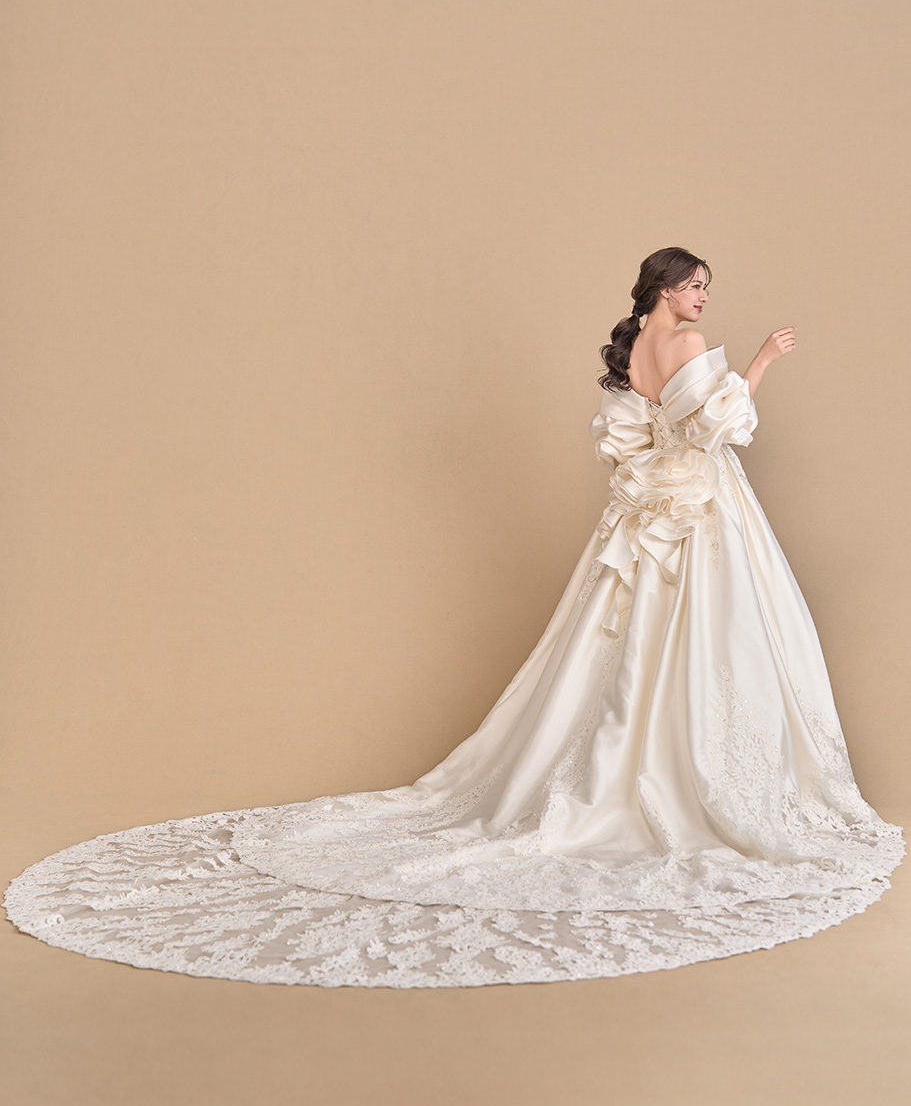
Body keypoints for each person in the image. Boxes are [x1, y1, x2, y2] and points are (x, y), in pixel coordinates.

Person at [4, 247, 904, 989]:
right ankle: (689, 782)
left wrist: (657, 471)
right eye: (695, 284)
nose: (703, 297)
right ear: (666, 289)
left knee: (622, 653)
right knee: (715, 648)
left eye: (704, 288)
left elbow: (624, 440)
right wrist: (761, 362)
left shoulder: (633, 345)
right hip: (699, 516)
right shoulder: (691, 342)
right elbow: (716, 430)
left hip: (640, 522)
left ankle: (636, 770)